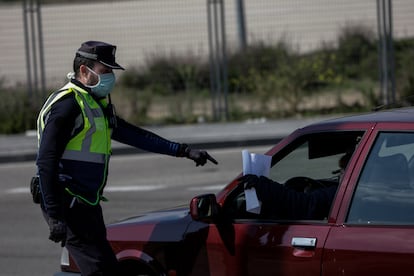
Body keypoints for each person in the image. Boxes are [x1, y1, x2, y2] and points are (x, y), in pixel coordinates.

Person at [35, 40, 218, 275]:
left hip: (86, 202)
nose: (111, 76)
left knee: (107, 268)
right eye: (105, 70)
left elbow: (134, 135)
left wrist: (183, 150)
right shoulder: (68, 105)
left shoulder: (94, 103)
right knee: (101, 270)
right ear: (84, 71)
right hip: (68, 204)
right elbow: (46, 161)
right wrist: (54, 215)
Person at [238, 152, 352, 220]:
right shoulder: (363, 191)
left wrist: (263, 185)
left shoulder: (343, 194)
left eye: (342, 171)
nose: (340, 176)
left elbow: (301, 204)